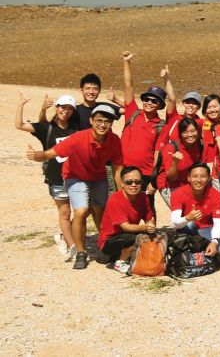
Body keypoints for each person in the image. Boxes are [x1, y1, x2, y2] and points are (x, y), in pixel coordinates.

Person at [26, 103, 123, 270]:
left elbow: (117, 167)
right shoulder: (78, 138)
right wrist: (36, 155)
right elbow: (50, 153)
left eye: (107, 121)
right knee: (81, 211)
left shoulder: (114, 140)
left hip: (98, 177)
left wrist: (121, 192)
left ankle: (104, 243)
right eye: (99, 120)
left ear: (111, 124)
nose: (102, 125)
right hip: (75, 176)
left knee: (100, 209)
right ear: (91, 121)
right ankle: (80, 252)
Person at [15, 93, 79, 261]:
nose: (65, 111)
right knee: (65, 213)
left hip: (76, 176)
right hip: (56, 177)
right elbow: (19, 125)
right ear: (56, 108)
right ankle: (72, 246)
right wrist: (21, 104)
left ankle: (64, 235)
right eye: (63, 107)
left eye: (69, 108)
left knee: (82, 211)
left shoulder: (77, 129)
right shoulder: (47, 128)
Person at [117, 52, 171, 194]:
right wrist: (127, 62)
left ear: (160, 105)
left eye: (154, 101)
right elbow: (128, 85)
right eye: (147, 99)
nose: (149, 102)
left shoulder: (161, 126)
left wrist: (154, 180)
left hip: (145, 174)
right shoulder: (133, 113)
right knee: (122, 204)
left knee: (146, 205)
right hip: (124, 170)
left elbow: (158, 154)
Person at [96, 166, 156, 273]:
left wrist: (151, 227)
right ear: (122, 184)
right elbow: (126, 227)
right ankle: (121, 262)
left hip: (129, 235)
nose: (133, 185)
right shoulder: (115, 199)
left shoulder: (143, 197)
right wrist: (147, 227)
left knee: (157, 236)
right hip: (109, 242)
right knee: (138, 238)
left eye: (137, 182)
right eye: (129, 182)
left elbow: (150, 219)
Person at [168, 163, 220, 258]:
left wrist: (214, 242)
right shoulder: (177, 194)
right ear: (188, 178)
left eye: (203, 176)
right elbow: (175, 223)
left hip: (207, 229)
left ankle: (198, 247)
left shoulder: (216, 195)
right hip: (186, 229)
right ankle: (194, 247)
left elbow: (218, 223)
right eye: (195, 176)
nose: (199, 180)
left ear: (209, 178)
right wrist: (188, 218)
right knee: (190, 224)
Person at [157, 118, 205, 207]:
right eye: (185, 132)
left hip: (188, 184)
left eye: (193, 131)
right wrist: (175, 162)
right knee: (182, 213)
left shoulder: (200, 145)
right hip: (170, 186)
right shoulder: (171, 148)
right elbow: (171, 178)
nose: (190, 135)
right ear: (180, 134)